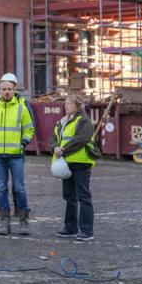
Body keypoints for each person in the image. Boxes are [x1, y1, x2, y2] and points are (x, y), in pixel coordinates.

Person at [0, 73, 35, 236]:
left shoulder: (21, 108)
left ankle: (24, 221)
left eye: (9, 89)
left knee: (19, 188)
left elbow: (29, 128)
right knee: (2, 188)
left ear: (14, 90)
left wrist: (24, 142)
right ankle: (4, 222)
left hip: (16, 155)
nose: (6, 92)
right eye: (3, 89)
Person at [51, 94, 97, 242]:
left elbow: (81, 139)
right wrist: (55, 147)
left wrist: (63, 149)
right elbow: (54, 138)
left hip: (81, 162)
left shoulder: (84, 120)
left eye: (69, 104)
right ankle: (70, 227)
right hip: (66, 163)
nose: (66, 106)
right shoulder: (62, 121)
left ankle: (87, 230)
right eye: (66, 104)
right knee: (69, 197)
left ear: (77, 106)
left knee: (83, 197)